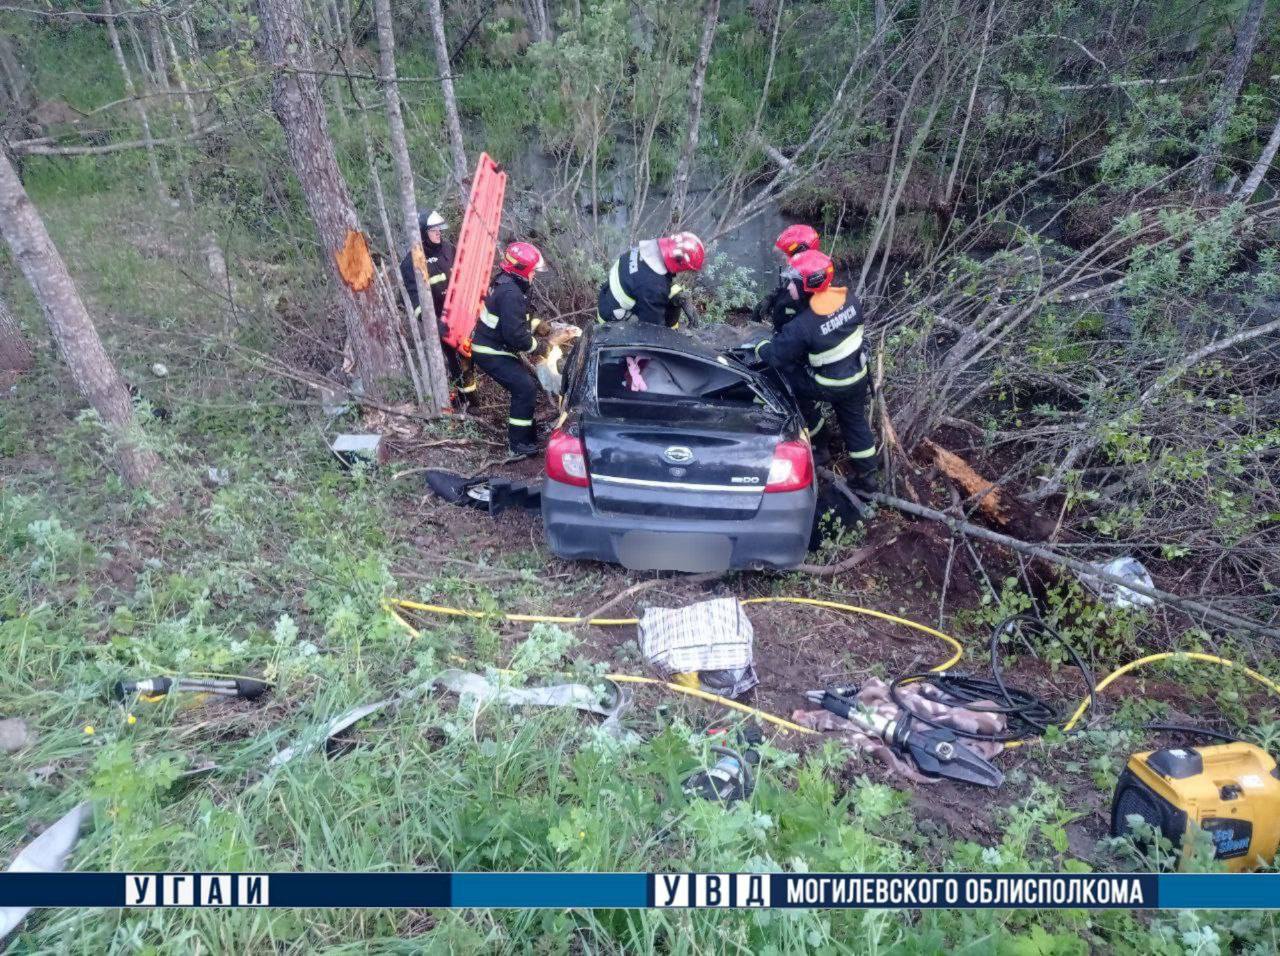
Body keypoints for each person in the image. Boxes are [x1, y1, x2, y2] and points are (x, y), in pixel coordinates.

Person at [755, 250, 879, 492]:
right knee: (855, 423)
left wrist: (760, 346)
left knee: (791, 385)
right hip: (858, 377)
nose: (789, 286)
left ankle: (820, 445)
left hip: (829, 384)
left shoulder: (803, 326)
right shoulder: (850, 300)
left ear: (807, 287)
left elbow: (776, 357)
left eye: (794, 282)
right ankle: (868, 477)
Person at [470, 241, 547, 457]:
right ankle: (518, 445)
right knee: (524, 388)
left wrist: (537, 325)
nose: (534, 276)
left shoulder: (508, 283)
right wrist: (538, 347)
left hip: (494, 344)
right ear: (522, 271)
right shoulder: (511, 293)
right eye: (533, 272)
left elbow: (515, 321)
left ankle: (527, 434)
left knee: (526, 386)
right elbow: (515, 335)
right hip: (490, 350)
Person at [398, 210, 475, 405]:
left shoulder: (449, 248)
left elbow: (464, 276)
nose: (438, 233)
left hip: (461, 317)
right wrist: (433, 323)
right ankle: (463, 404)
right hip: (441, 322)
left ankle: (470, 400)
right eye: (433, 230)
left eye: (439, 229)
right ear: (422, 233)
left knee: (468, 359)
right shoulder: (411, 263)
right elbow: (416, 300)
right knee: (455, 364)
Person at [597, 232, 704, 329]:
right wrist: (671, 335)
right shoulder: (652, 286)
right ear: (680, 263)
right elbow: (653, 329)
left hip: (607, 299)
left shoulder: (646, 252)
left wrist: (679, 295)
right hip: (612, 322)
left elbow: (653, 283)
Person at [753, 224, 821, 332]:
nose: (784, 260)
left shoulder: (813, 283)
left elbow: (802, 329)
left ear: (802, 253)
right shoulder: (799, 273)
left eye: (785, 255)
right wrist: (771, 298)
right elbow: (786, 288)